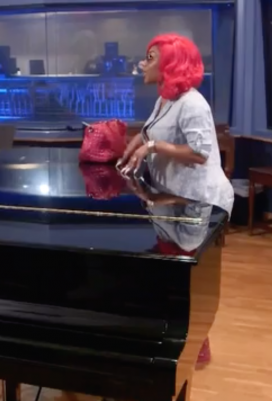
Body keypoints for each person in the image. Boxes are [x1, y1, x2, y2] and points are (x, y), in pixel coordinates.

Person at [117, 33, 234, 369]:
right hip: (173, 198)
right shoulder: (165, 99)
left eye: (150, 58)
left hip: (197, 201)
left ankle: (196, 345)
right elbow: (148, 132)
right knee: (171, 275)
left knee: (186, 280)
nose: (143, 64)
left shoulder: (193, 104)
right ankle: (176, 337)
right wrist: (131, 149)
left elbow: (199, 153)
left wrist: (152, 148)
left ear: (170, 63)